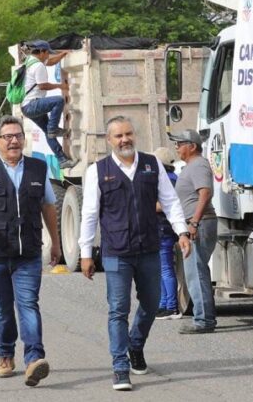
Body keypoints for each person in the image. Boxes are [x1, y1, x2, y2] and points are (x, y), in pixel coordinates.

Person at [79, 116, 192, 391]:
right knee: (118, 309)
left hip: (148, 249)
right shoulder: (98, 170)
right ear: (109, 140)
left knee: (153, 303)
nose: (124, 140)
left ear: (135, 135)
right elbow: (90, 213)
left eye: (128, 134)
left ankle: (135, 345)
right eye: (118, 136)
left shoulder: (152, 166)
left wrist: (182, 232)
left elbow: (170, 201)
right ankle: (120, 366)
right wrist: (85, 252)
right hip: (116, 252)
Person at [0, 115, 62, 387]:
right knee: (3, 309)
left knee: (28, 303)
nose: (14, 140)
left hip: (28, 252)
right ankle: (5, 355)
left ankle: (34, 359)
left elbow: (48, 207)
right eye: (8, 136)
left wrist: (56, 241)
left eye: (18, 135)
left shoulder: (38, 169)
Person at [169, 129, 219, 334]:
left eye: (180, 143)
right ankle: (205, 317)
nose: (177, 147)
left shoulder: (198, 165)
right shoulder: (190, 166)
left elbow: (205, 193)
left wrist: (194, 223)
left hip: (200, 224)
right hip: (196, 223)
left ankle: (203, 320)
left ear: (192, 146)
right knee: (197, 272)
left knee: (195, 273)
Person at [19, 40, 76, 169]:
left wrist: (63, 54)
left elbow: (50, 62)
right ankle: (53, 129)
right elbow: (42, 85)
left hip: (26, 107)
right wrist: (61, 86)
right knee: (58, 100)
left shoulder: (30, 60)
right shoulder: (37, 65)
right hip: (32, 105)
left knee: (47, 132)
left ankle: (62, 160)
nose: (48, 56)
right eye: (47, 53)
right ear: (42, 52)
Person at [152, 146, 182, 320]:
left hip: (163, 228)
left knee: (165, 269)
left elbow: (164, 205)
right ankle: (163, 304)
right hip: (161, 228)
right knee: (160, 269)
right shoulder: (171, 178)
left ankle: (171, 306)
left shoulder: (168, 180)